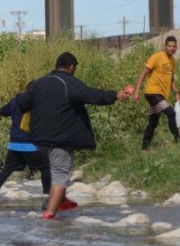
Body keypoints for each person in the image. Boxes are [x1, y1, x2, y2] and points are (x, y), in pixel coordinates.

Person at [19, 52, 130, 220]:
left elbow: (22, 104)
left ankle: (60, 200)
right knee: (61, 172)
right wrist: (115, 94)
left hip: (38, 138)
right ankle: (49, 215)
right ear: (71, 67)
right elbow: (92, 95)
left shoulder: (39, 83)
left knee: (54, 170)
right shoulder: (68, 82)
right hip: (59, 138)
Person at [0, 83, 51, 200]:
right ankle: (47, 194)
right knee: (45, 166)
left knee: (8, 167)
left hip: (14, 144)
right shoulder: (38, 103)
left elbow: (3, 111)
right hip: (31, 144)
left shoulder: (16, 100)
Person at [133, 36, 180, 150]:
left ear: (176, 47)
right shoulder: (157, 56)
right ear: (165, 46)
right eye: (169, 46)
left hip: (160, 95)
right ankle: (178, 140)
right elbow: (143, 73)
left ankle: (144, 148)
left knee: (153, 122)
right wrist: (136, 91)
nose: (172, 48)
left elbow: (171, 80)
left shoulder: (172, 61)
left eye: (174, 46)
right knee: (171, 113)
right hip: (152, 93)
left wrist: (176, 93)